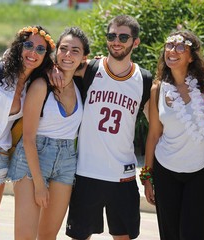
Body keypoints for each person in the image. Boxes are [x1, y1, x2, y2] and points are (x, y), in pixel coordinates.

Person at [61, 15, 152, 240]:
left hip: (123, 176)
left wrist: (149, 174)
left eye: (123, 36)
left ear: (136, 42)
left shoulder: (145, 80)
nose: (116, 41)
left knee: (123, 237)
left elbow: (157, 130)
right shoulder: (89, 69)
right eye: (112, 36)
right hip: (87, 173)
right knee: (79, 236)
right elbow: (61, 63)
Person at [7, 27, 89, 240]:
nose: (68, 55)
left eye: (75, 51)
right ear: (56, 52)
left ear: (83, 58)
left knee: (48, 235)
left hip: (66, 162)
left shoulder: (82, 84)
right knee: (25, 236)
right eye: (63, 49)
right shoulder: (42, 84)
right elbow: (28, 138)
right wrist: (39, 185)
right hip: (32, 159)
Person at [142, 30, 204, 240]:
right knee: (170, 234)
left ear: (191, 56)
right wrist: (147, 177)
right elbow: (153, 136)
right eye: (169, 46)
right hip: (166, 171)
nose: (172, 51)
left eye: (180, 47)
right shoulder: (158, 89)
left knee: (195, 233)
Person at [0, 25, 53, 238]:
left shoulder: (33, 87)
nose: (32, 52)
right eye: (28, 45)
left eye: (40, 49)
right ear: (19, 47)